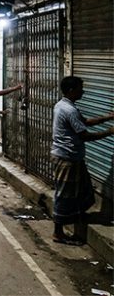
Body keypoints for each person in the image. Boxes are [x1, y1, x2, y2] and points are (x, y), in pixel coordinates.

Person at [50, 76, 114, 245]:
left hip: (70, 157)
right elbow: (84, 135)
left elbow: (84, 122)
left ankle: (75, 218)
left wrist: (108, 117)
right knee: (64, 195)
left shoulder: (63, 105)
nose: (83, 91)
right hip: (67, 158)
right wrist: (109, 132)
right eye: (80, 88)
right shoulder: (68, 110)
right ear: (71, 90)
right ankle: (58, 232)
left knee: (81, 191)